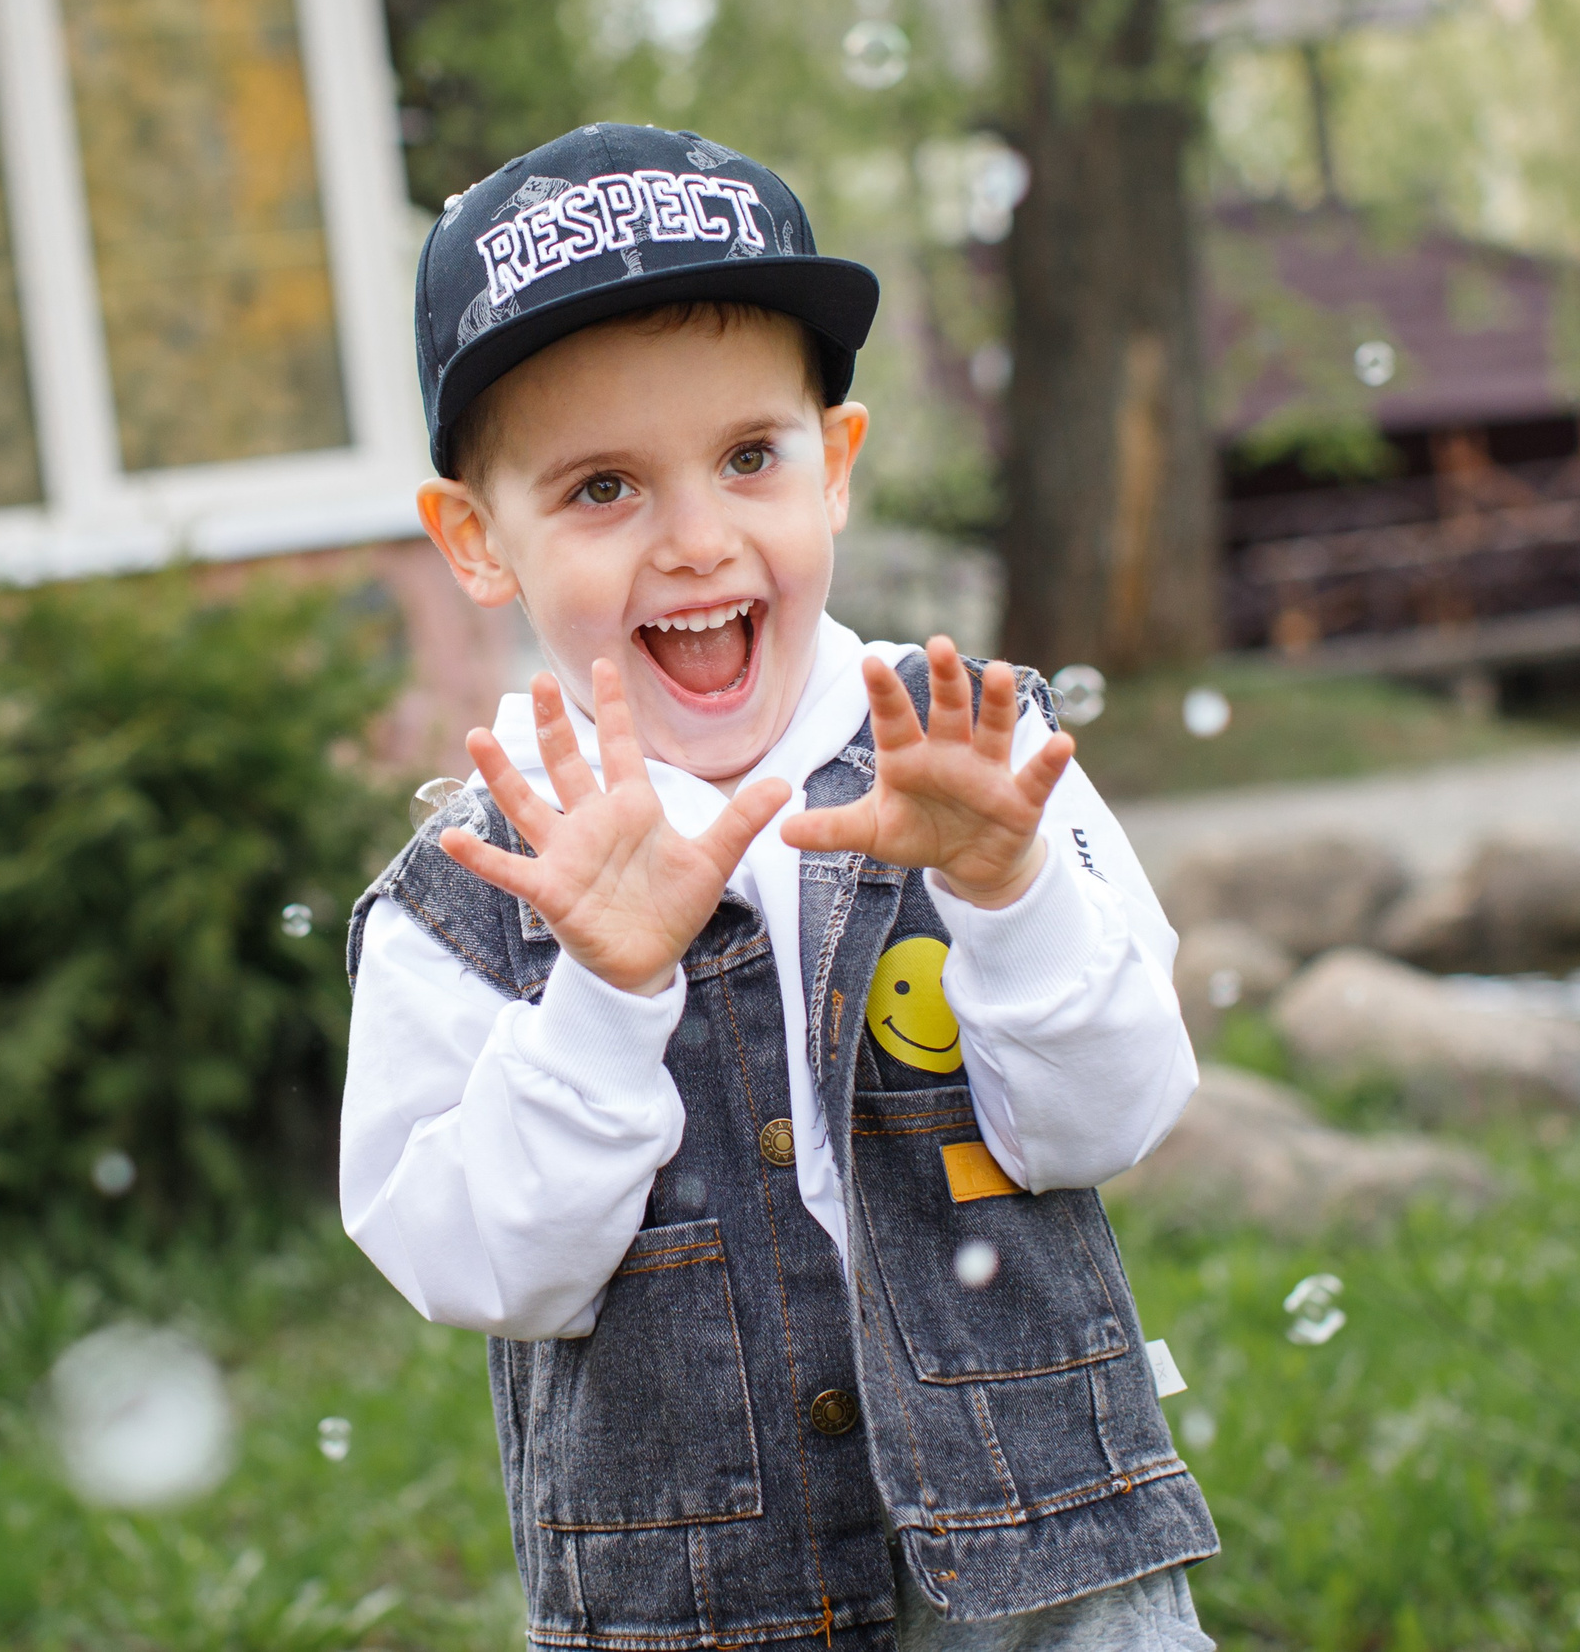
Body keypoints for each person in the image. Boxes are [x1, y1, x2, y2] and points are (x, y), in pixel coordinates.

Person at [340, 123, 1216, 1651]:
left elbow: (1112, 1114)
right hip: (693, 1611)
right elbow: (485, 1261)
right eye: (604, 485)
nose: (696, 539)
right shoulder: (471, 894)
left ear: (840, 466)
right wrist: (602, 1000)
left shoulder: (979, 762)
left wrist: (1008, 893)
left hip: (1050, 1585)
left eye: (752, 456)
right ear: (479, 542)